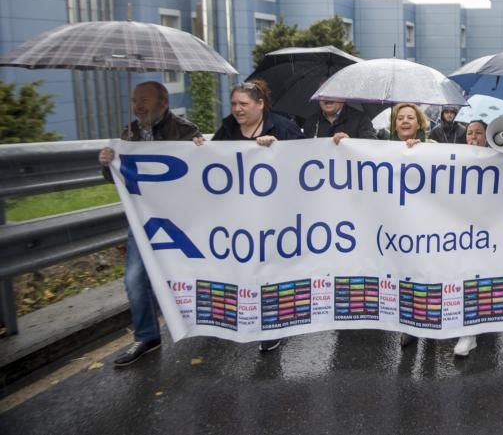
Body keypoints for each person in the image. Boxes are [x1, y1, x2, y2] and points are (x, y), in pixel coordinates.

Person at [98, 81, 202, 368]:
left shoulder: (185, 131)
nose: (138, 105)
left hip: (182, 221)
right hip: (145, 220)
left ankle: (213, 325)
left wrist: (199, 151)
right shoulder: (128, 134)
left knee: (200, 272)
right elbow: (115, 178)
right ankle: (147, 336)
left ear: (164, 103)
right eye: (134, 99)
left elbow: (200, 169)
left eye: (144, 99)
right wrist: (107, 162)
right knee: (134, 279)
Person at [201, 79, 304, 352]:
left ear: (260, 105)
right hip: (238, 216)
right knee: (245, 268)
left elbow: (306, 164)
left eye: (243, 104)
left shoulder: (284, 129)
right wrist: (198, 149)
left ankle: (272, 326)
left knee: (270, 269)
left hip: (274, 215)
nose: (237, 109)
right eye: (234, 103)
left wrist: (277, 150)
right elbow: (211, 162)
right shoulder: (226, 130)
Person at [387, 103, 436, 348]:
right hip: (395, 222)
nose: (405, 121)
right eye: (400, 118)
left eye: (410, 118)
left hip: (426, 222)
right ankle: (410, 324)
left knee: (425, 273)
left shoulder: (433, 148)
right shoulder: (379, 148)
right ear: (394, 125)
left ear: (419, 124)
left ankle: (430, 320)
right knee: (402, 273)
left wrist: (422, 152)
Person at [450, 119, 490, 357]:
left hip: (490, 229)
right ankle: (468, 332)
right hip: (462, 227)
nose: (473, 136)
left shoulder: (500, 156)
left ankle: (474, 329)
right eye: (470, 133)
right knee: (466, 276)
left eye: (479, 133)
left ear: (487, 135)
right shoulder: (454, 156)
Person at [303, 98, 376, 142]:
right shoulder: (311, 121)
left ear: (343, 97)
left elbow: (371, 145)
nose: (328, 97)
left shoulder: (361, 119)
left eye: (333, 92)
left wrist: (350, 143)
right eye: (323, 92)